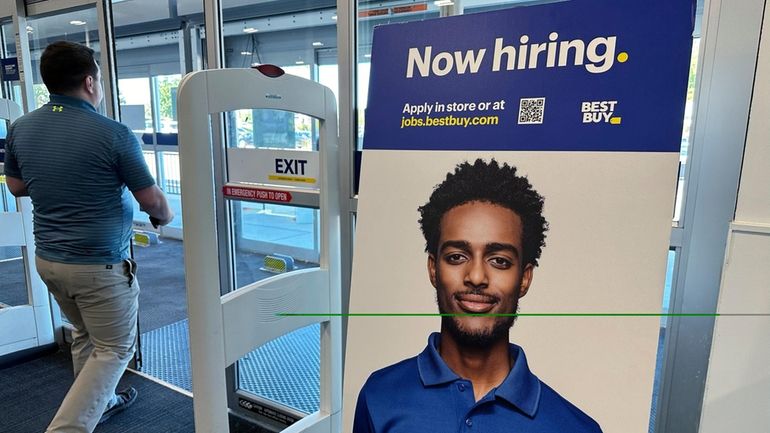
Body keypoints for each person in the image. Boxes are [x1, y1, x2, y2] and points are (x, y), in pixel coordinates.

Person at [352, 159, 602, 433]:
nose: (476, 277)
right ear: (434, 269)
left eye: (500, 261)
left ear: (525, 278)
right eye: (457, 257)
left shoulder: (576, 428)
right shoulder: (379, 397)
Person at [3, 41, 174, 433]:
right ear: (90, 81)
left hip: (50, 261)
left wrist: (60, 180)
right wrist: (164, 215)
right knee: (116, 348)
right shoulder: (113, 134)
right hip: (98, 266)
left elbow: (15, 185)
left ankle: (105, 401)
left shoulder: (22, 127)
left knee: (85, 335)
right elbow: (154, 202)